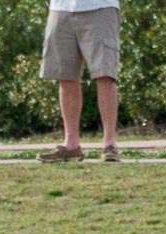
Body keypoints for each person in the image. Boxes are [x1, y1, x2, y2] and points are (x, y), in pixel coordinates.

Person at [36, 0, 121, 163]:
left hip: (100, 8)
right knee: (66, 76)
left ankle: (109, 145)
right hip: (60, 9)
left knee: (105, 75)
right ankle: (71, 145)